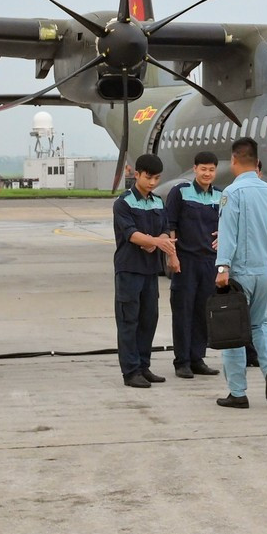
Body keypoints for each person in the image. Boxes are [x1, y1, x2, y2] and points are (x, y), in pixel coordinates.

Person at [214, 136, 267, 409]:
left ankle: (238, 392)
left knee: (232, 330)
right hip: (265, 269)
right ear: (257, 162)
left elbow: (228, 233)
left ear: (233, 160)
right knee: (261, 324)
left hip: (240, 271)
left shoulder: (232, 193)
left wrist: (223, 266)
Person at [112, 153, 177, 389]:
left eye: (157, 178)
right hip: (129, 269)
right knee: (129, 321)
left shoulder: (158, 202)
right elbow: (130, 234)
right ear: (136, 174)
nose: (152, 183)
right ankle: (130, 371)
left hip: (150, 271)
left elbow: (164, 230)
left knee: (149, 319)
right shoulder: (123, 203)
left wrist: (157, 241)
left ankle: (143, 365)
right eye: (148, 177)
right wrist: (153, 241)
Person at [164, 152, 223, 380]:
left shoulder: (220, 195)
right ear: (194, 169)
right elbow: (171, 225)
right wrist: (173, 256)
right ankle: (182, 361)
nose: (207, 174)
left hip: (209, 262)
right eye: (203, 169)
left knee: (203, 312)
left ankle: (198, 358)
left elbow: (227, 223)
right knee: (183, 312)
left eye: (211, 170)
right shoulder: (180, 192)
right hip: (186, 262)